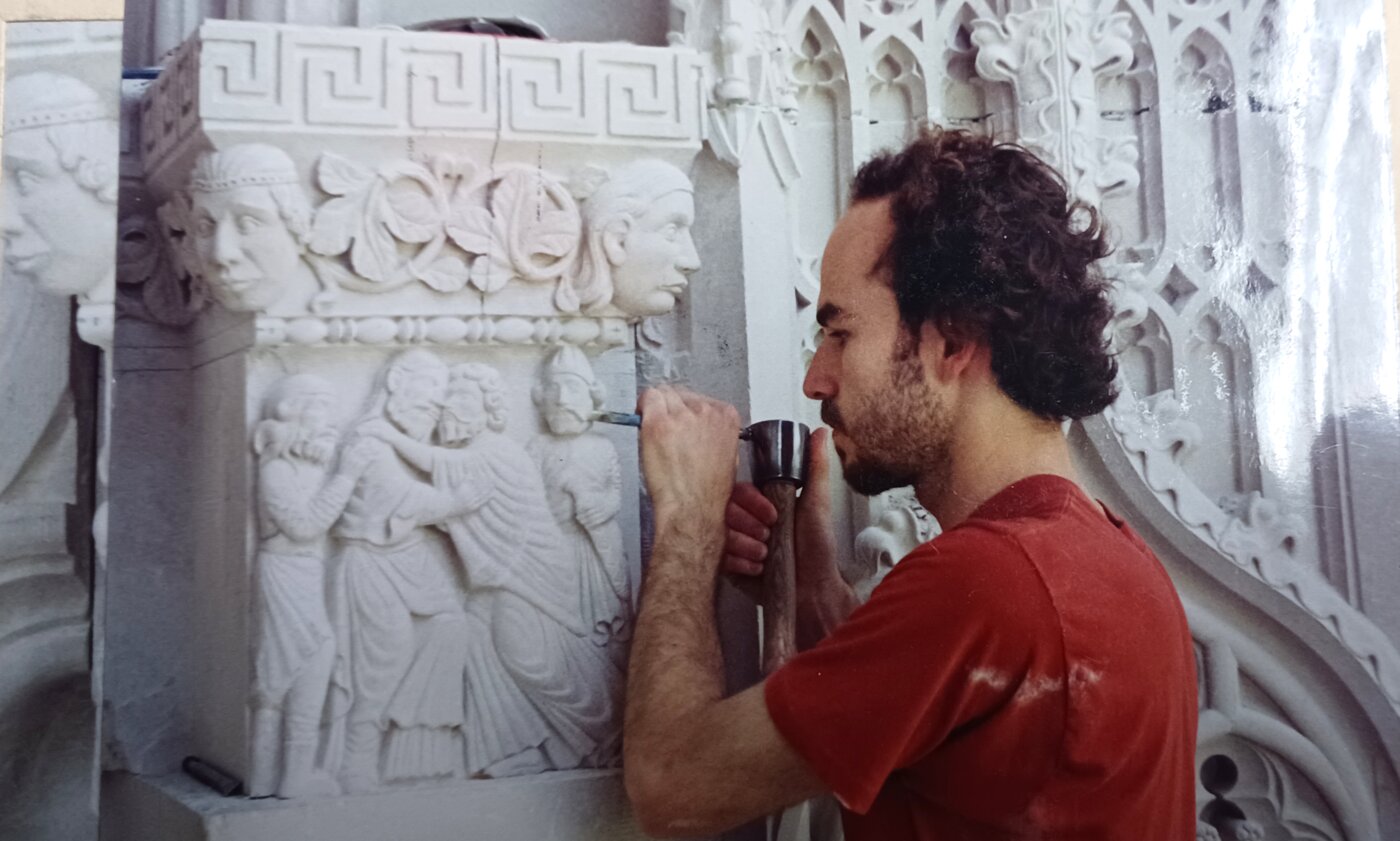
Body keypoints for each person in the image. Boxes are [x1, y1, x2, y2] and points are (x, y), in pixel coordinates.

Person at [622, 127, 1198, 840]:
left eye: (839, 333)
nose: (814, 378)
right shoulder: (1120, 562)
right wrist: (817, 597)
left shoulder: (989, 582)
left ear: (952, 342)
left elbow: (671, 786)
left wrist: (687, 516)